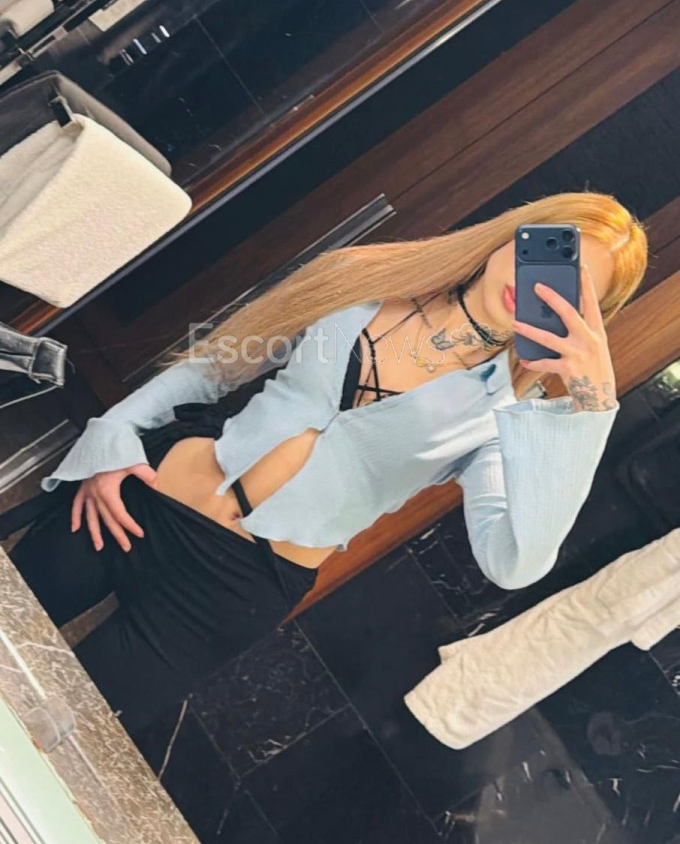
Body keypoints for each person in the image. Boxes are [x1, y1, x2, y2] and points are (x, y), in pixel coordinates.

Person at [6, 190, 647, 733]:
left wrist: (591, 405)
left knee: (49, 734)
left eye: (571, 292)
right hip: (141, 498)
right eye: (549, 253)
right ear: (516, 233)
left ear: (588, 321)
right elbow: (217, 364)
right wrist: (113, 441)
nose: (539, 286)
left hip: (226, 594)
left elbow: (515, 563)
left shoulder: (500, 418)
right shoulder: (365, 278)